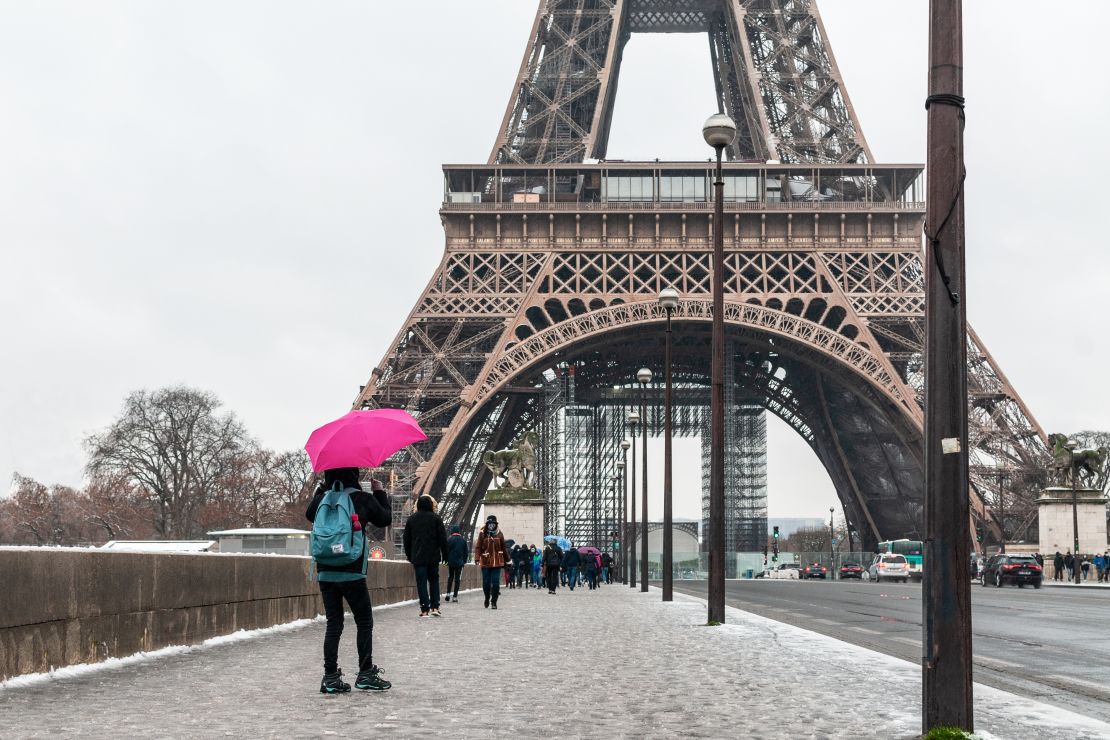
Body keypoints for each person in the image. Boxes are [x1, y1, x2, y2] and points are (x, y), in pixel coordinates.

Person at [306, 468, 393, 693]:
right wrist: (379, 492)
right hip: (351, 569)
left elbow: (309, 514)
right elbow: (384, 519)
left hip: (325, 570)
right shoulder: (360, 498)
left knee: (333, 624)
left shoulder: (322, 499)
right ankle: (365, 673)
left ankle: (330, 677)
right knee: (364, 621)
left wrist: (323, 489)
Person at [403, 494, 449, 618]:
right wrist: (445, 556)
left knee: (421, 583)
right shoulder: (436, 518)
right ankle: (435, 606)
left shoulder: (412, 519)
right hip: (433, 557)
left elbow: (406, 540)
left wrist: (409, 555)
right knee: (434, 581)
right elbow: (443, 539)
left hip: (418, 557)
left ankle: (424, 609)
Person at [475, 515, 511, 609]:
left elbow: (503, 548)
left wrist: (508, 560)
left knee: (495, 582)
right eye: (489, 524)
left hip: (497, 562)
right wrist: (477, 558)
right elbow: (478, 547)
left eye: (493, 524)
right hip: (486, 562)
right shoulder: (482, 534)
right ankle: (487, 597)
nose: (491, 526)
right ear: (487, 524)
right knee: (486, 583)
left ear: (495, 524)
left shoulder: (500, 534)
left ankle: (494, 602)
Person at [444, 524, 467, 603]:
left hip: (450, 563)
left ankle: (448, 594)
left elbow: (445, 552)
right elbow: (466, 553)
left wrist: (446, 561)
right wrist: (464, 562)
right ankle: (455, 596)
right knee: (457, 580)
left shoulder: (449, 540)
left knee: (450, 577)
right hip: (459, 563)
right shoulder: (463, 540)